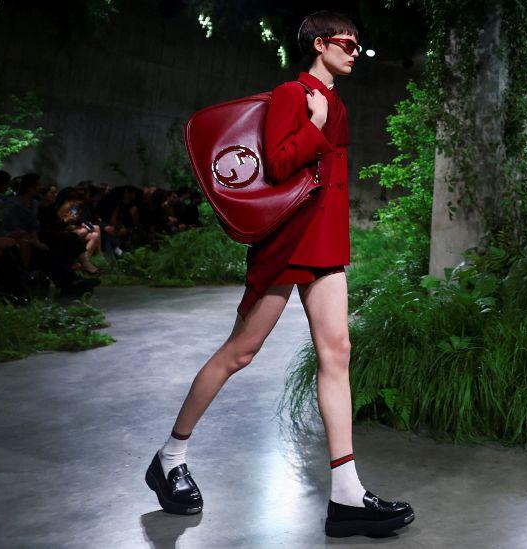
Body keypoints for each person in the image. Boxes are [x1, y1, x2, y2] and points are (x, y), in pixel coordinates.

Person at [144, 11, 414, 538]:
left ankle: (347, 496)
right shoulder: (294, 94)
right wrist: (312, 125)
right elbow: (280, 161)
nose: (356, 51)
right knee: (239, 353)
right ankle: (169, 457)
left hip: (325, 243)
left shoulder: (333, 99)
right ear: (320, 43)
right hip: (287, 241)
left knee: (337, 354)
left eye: (359, 45)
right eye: (348, 43)